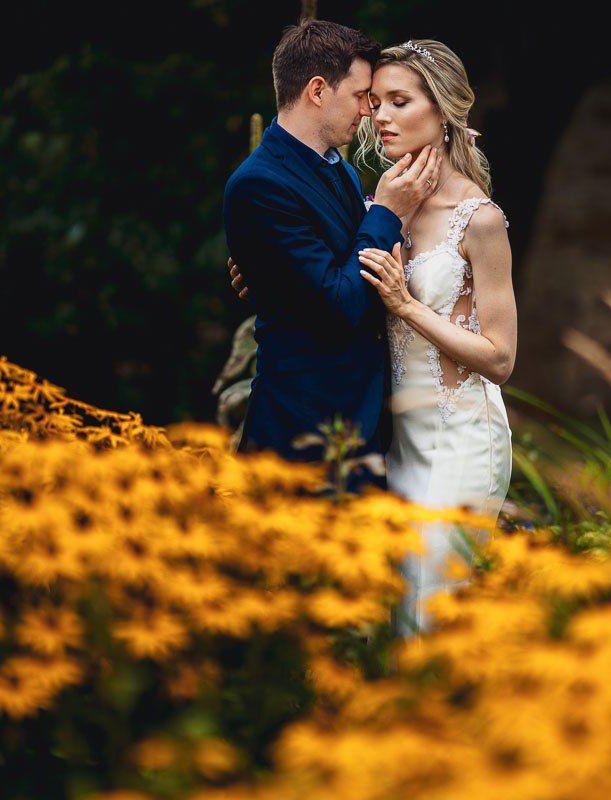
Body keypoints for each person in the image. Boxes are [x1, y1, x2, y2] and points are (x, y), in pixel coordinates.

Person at [231, 37, 515, 633]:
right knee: (385, 621)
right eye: (370, 98)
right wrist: (271, 276)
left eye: (394, 100)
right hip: (384, 440)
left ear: (442, 112)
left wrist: (408, 306)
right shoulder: (377, 198)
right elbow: (334, 278)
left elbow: (502, 357)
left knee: (427, 616)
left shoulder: (478, 219)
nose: (375, 114)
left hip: (455, 435)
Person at [223, 20, 442, 471]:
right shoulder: (258, 184)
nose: (369, 111)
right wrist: (387, 212)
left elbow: (335, 262)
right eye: (362, 95)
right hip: (304, 432)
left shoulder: (339, 170)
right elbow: (338, 302)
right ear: (318, 90)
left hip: (364, 422)